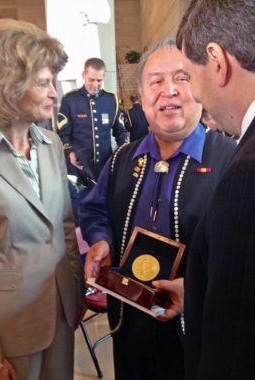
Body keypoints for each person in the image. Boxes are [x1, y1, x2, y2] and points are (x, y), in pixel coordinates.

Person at [80, 38, 236, 380]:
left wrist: (196, 289)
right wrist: (100, 240)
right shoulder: (122, 158)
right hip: (129, 322)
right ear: (142, 97)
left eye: (181, 78)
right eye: (156, 81)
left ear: (200, 85)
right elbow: (95, 212)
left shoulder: (233, 161)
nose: (169, 91)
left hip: (200, 328)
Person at [0, 20, 85, 380]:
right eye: (42, 83)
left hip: (60, 316)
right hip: (7, 333)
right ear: (7, 86)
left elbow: (65, 227)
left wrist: (76, 292)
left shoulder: (50, 145)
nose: (54, 93)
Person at [176, 1, 255, 379]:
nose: (194, 96)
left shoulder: (246, 173)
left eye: (189, 78)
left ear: (218, 61)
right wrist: (198, 293)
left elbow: (234, 349)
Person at [57, 57, 128, 183]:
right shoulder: (70, 100)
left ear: (104, 76)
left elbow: (120, 132)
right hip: (78, 168)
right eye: (91, 80)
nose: (95, 85)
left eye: (99, 80)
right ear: (84, 75)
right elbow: (63, 134)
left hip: (105, 168)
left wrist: (125, 152)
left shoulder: (111, 100)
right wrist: (70, 153)